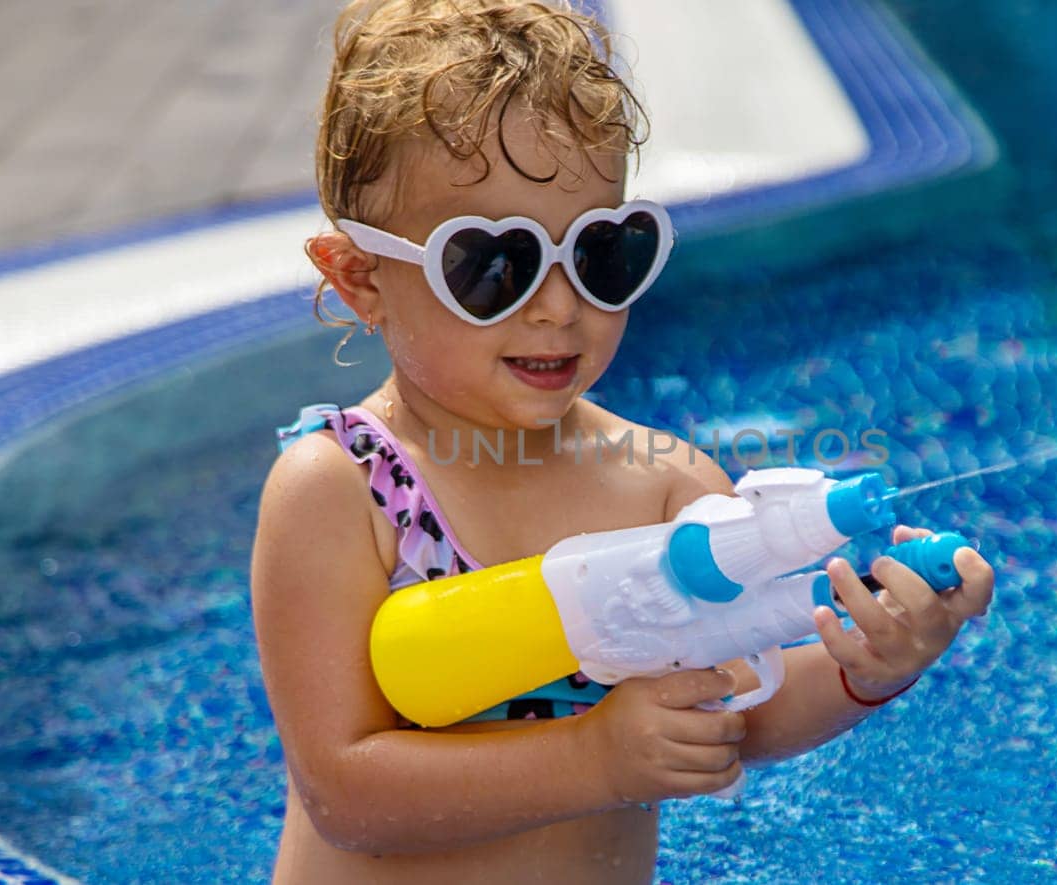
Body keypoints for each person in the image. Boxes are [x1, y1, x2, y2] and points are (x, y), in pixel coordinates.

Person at [249, 1, 995, 881]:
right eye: (494, 263)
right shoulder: (340, 491)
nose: (560, 305)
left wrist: (868, 666)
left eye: (601, 253)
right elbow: (344, 791)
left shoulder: (663, 485)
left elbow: (738, 712)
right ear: (362, 278)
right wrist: (594, 759)